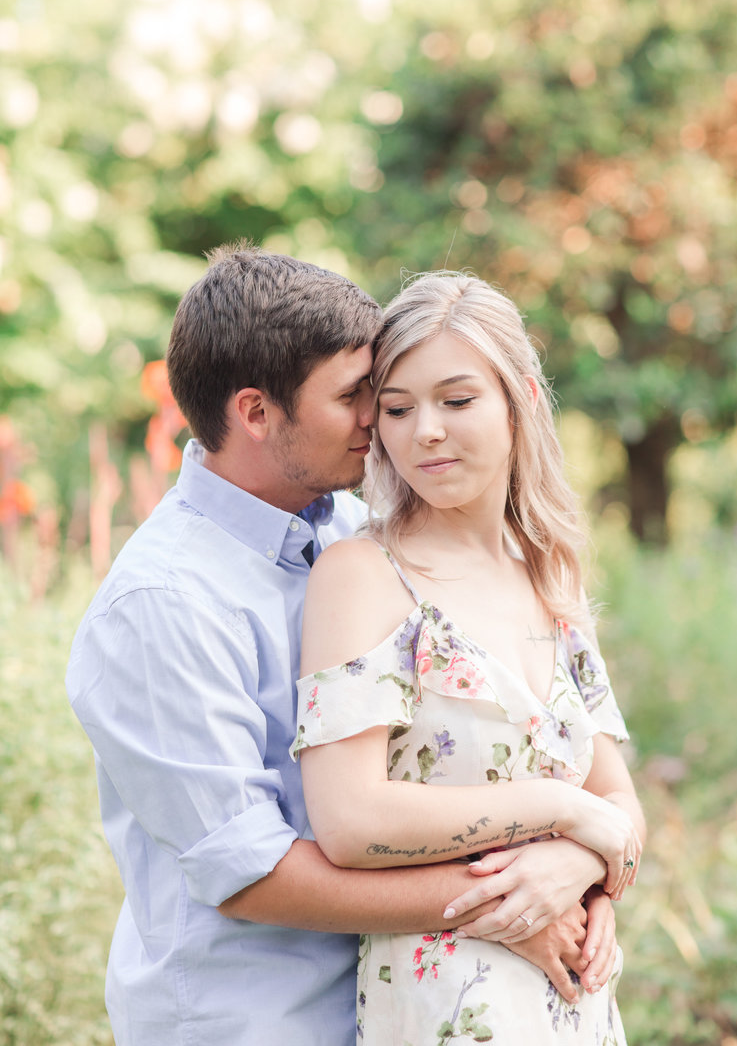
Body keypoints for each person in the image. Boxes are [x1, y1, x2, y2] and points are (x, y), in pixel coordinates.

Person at [67, 246, 622, 1046]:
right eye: (359, 397)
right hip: (253, 1021)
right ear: (257, 414)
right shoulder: (159, 607)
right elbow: (251, 873)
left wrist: (575, 868)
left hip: (398, 1002)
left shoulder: (364, 536)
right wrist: (507, 906)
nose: (387, 421)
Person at [293, 271, 646, 1044]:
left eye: (456, 401)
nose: (425, 430)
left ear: (518, 399)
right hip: (447, 1007)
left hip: (576, 1007)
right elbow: (350, 822)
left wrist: (582, 873)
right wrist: (561, 814)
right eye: (397, 408)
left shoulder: (548, 573)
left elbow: (620, 809)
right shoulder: (362, 574)